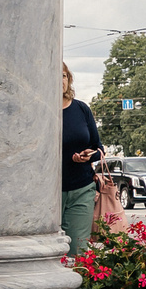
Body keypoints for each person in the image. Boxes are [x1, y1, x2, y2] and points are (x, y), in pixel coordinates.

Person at [59, 64, 101, 256]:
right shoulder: (38, 110)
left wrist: (87, 156)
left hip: (81, 189)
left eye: (64, 76)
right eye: (56, 75)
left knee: (78, 251)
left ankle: (79, 286)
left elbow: (98, 148)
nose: (61, 81)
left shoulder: (81, 109)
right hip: (47, 194)